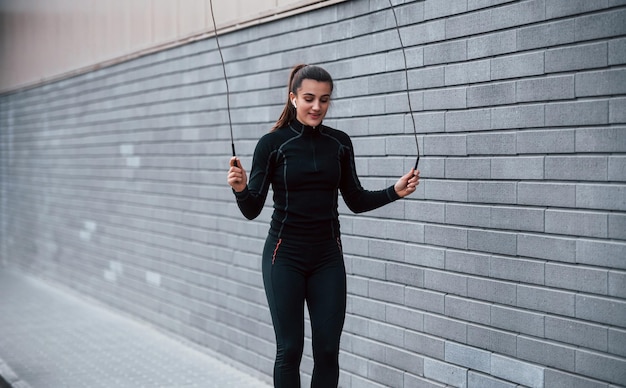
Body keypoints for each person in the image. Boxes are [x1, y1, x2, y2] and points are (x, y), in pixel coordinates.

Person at [227, 64, 419, 387]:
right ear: (293, 98)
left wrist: (394, 192)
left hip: (327, 258)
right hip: (283, 257)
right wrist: (241, 189)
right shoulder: (271, 145)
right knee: (290, 350)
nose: (317, 107)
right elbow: (252, 209)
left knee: (328, 350)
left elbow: (355, 199)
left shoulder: (339, 144)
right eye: (309, 98)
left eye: (325, 100)